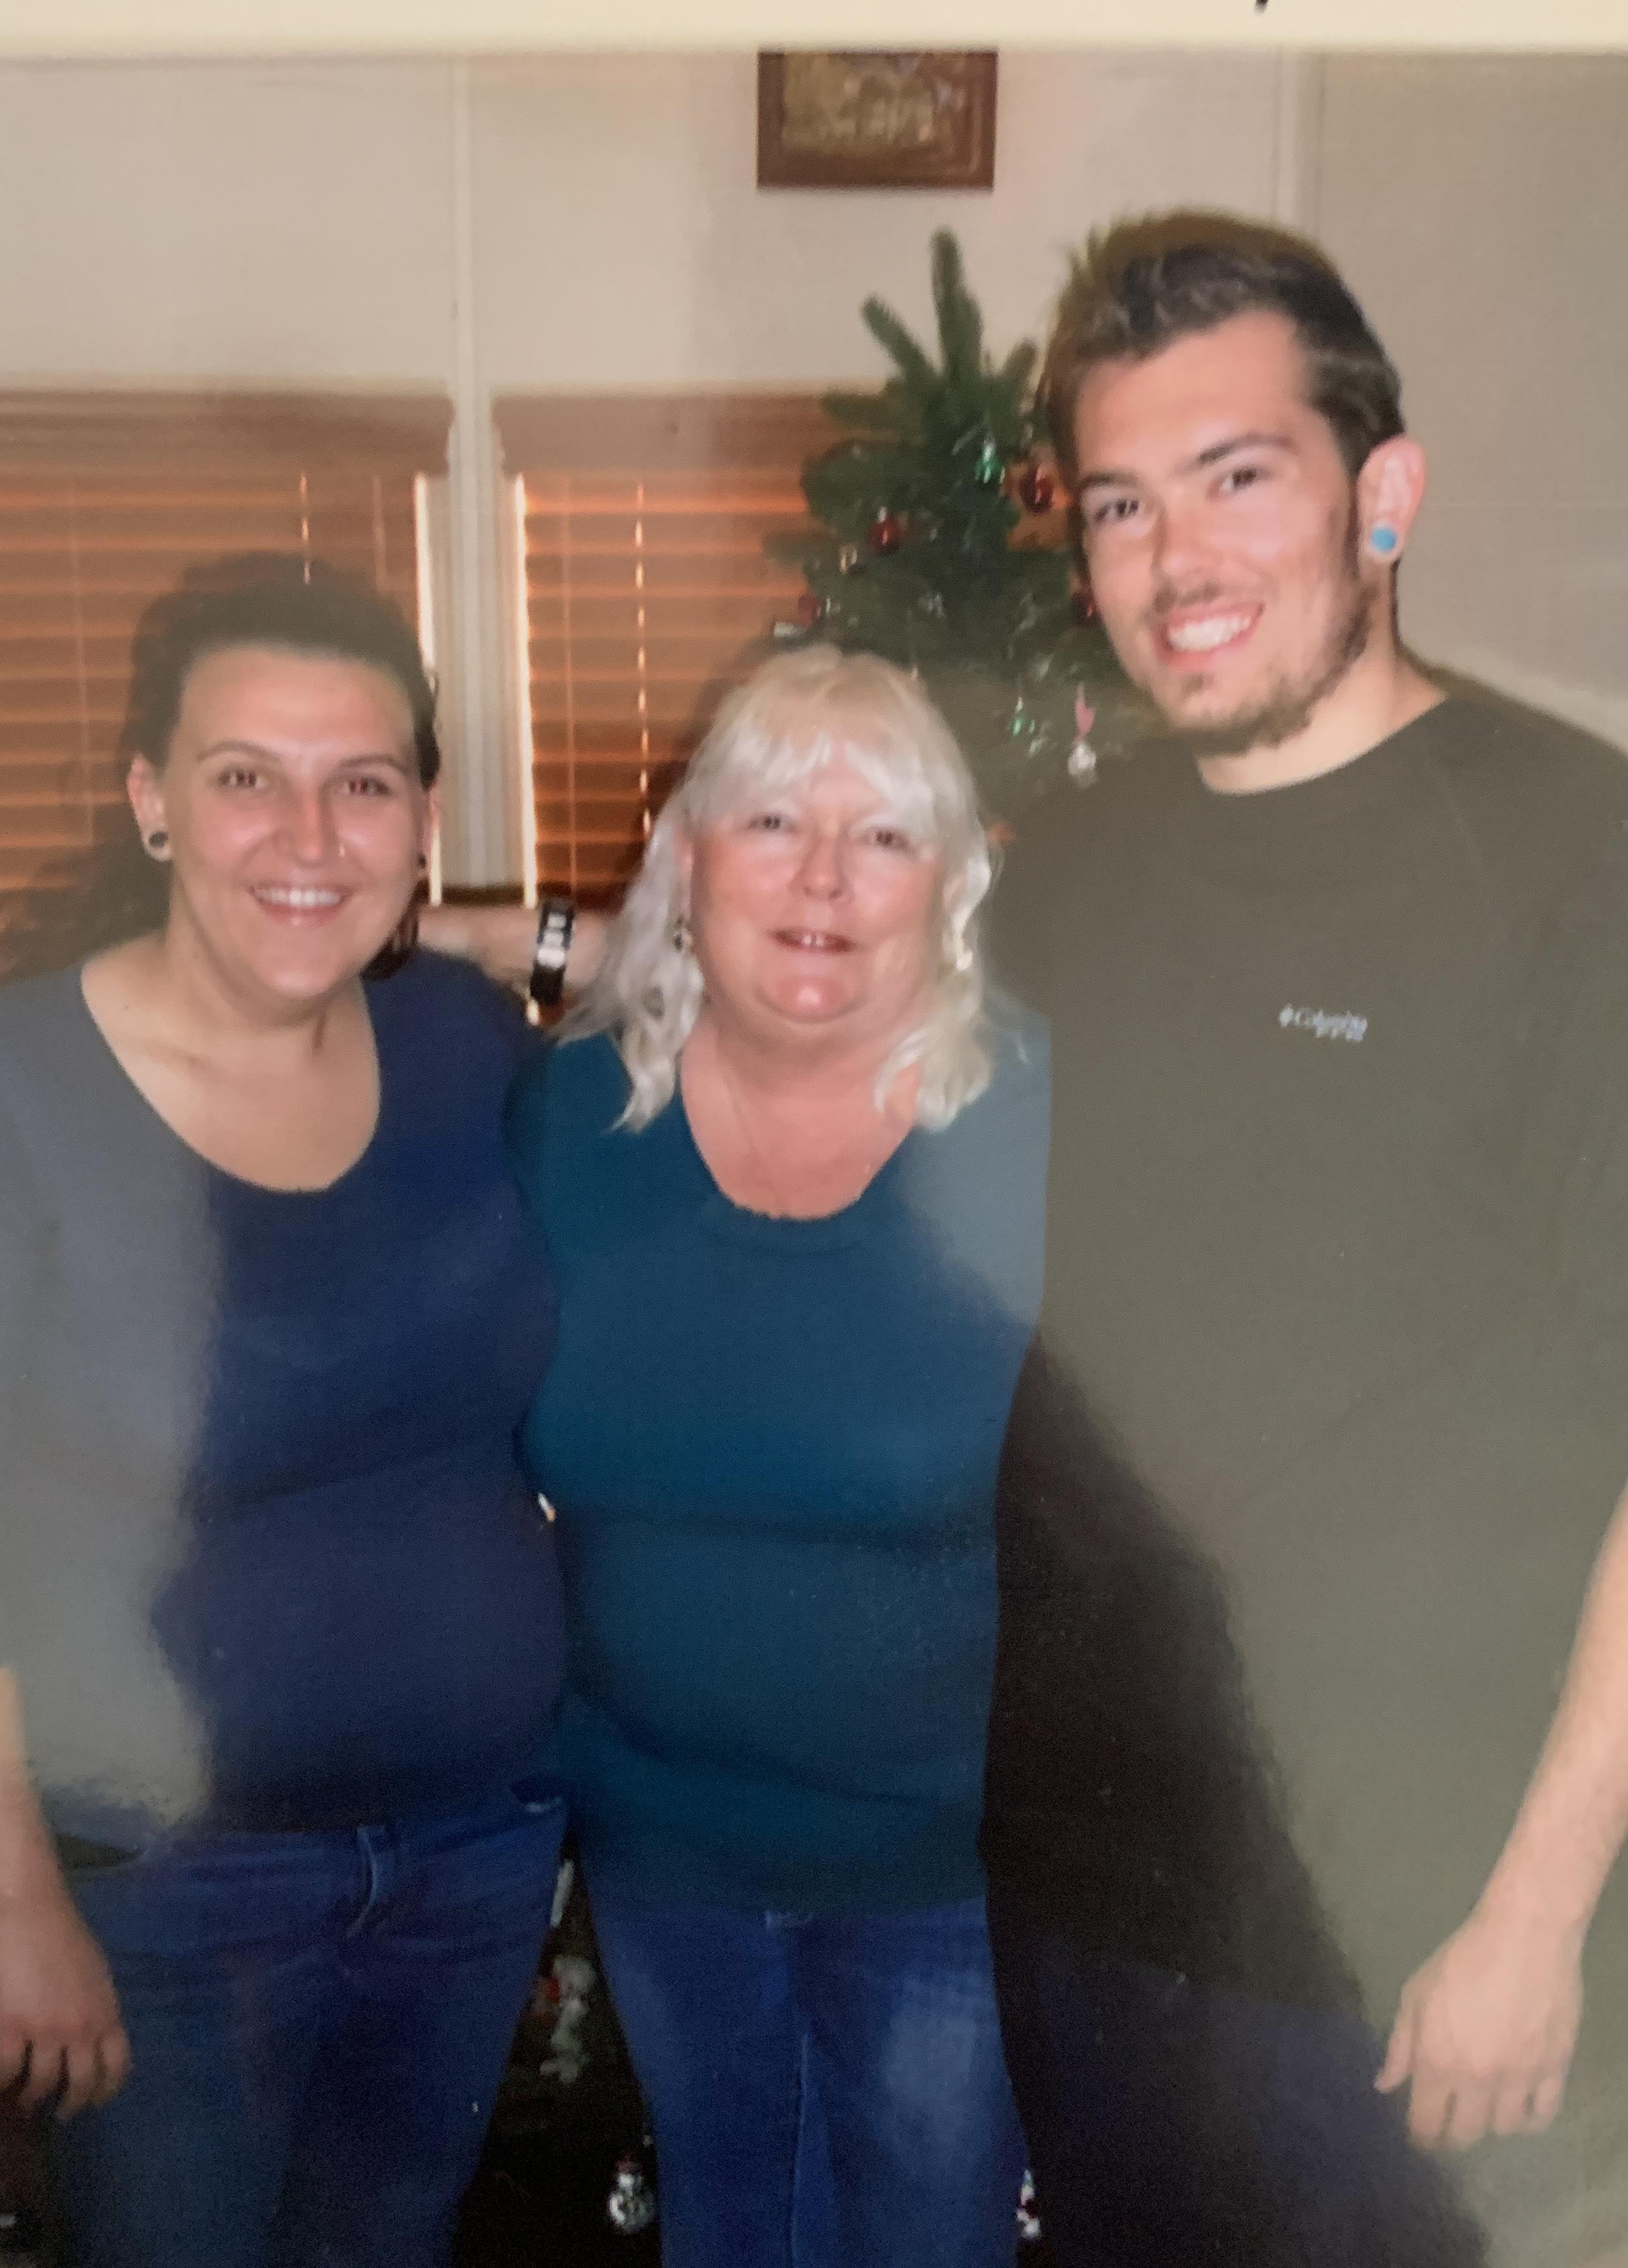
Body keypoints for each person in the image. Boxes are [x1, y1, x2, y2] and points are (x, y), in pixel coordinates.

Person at [979, 216, 1628, 2267]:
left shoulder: (1586, 865)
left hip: (1415, 1948)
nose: (1173, 560)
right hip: (1094, 1900)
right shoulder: (1074, 873)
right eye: (1123, 502)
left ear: (1384, 496)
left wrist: (1537, 1917)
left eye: (1237, 477)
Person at [0, 557, 573, 2268]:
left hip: (478, 1849)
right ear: (151, 801)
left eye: (365, 786)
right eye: (245, 776)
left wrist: (499, 931)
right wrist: (17, 1900)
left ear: (426, 819)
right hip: (166, 1900)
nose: (307, 832)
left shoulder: (466, 1042)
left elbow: (774, 969)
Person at [506, 644, 1047, 2268]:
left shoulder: (1040, 1120)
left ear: (949, 882)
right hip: (662, 1852)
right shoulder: (568, 1116)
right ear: (688, 858)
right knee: (731, 2229)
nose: (822, 877)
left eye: (882, 835)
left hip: (944, 1871)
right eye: (771, 823)